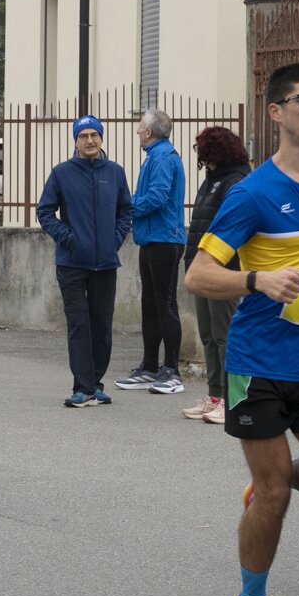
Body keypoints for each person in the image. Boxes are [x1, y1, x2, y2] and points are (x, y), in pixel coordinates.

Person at [183, 62, 299, 596]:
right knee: (274, 494)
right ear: (276, 112)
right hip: (258, 364)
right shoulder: (252, 194)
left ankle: (279, 480)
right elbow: (197, 275)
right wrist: (258, 280)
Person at [37, 114, 134, 408]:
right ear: (75, 141)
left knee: (101, 325)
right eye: (83, 136)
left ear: (101, 138)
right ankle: (83, 387)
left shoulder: (115, 172)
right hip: (72, 263)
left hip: (105, 263)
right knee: (79, 324)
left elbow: (126, 211)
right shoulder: (61, 173)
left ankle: (96, 383)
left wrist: (115, 239)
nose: (89, 141)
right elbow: (44, 212)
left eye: (94, 135)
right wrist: (68, 238)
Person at [113, 109, 188, 394]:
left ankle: (172, 370)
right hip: (152, 238)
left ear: (149, 132)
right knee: (150, 304)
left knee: (165, 304)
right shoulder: (156, 155)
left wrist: (127, 205)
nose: (137, 131)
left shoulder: (162, 157)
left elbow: (157, 196)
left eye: (140, 127)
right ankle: (149, 366)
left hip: (164, 239)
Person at [181, 128, 252, 424]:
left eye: (204, 149)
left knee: (225, 337)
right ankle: (214, 396)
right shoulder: (212, 179)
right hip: (202, 268)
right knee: (209, 335)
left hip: (224, 269)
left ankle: (231, 400)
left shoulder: (236, 181)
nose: (201, 155)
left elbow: (231, 227)